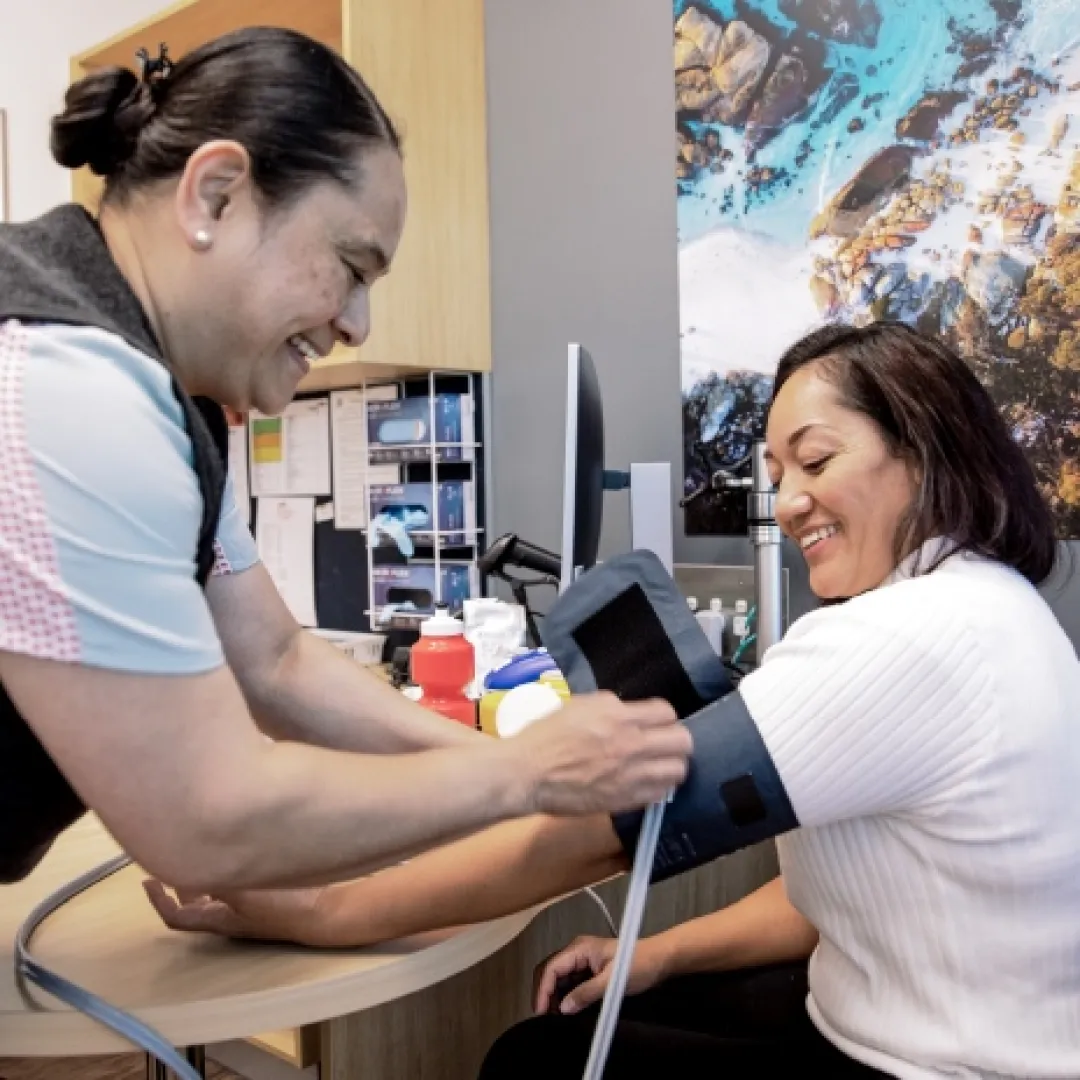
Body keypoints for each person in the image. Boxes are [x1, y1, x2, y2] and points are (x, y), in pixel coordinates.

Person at [150, 322, 1080, 1079]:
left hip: (942, 1063)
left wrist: (317, 911)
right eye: (777, 471)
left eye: (817, 459)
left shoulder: (907, 640)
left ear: (923, 450)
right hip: (902, 1018)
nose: (789, 500)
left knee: (536, 1061)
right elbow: (827, 898)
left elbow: (595, 834)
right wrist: (655, 953)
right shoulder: (984, 603)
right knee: (604, 1013)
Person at [0, 27, 694, 889]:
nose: (356, 325)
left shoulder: (172, 406)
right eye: (349, 266)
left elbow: (275, 663)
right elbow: (207, 819)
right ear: (214, 196)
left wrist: (531, 776)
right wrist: (522, 775)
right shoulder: (66, 386)